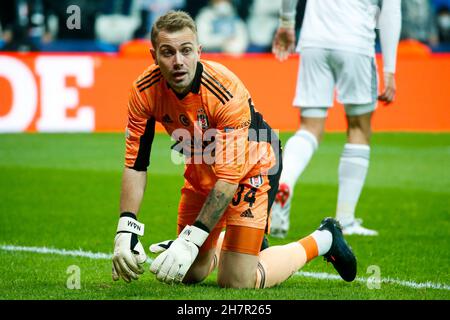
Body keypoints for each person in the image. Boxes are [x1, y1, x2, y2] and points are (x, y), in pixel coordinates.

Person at [111, 10, 357, 288]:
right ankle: (226, 244)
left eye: (186, 50)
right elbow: (135, 163)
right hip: (203, 167)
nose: (178, 61)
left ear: (199, 52)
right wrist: (126, 228)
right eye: (168, 52)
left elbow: (228, 180)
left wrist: (193, 238)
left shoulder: (225, 92)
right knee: (188, 274)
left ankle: (324, 239)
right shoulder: (143, 91)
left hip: (253, 166)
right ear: (153, 56)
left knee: (236, 281)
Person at [270, 0, 401, 238]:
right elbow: (391, 10)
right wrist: (390, 70)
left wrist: (287, 22)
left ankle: (284, 181)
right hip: (355, 42)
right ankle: (346, 219)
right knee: (359, 129)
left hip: (313, 41)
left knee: (309, 127)